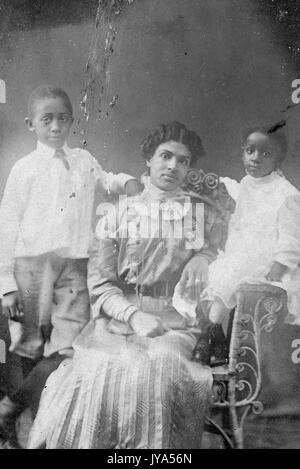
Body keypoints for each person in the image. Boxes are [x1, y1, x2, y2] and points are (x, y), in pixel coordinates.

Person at [28, 121, 224, 449]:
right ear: (148, 160)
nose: (173, 166)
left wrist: (204, 256)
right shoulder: (117, 215)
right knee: (99, 369)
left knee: (158, 366)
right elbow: (101, 284)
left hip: (173, 323)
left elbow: (221, 252)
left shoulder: (197, 215)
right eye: (165, 156)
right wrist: (134, 316)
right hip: (117, 323)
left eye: (183, 160)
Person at [0, 85, 140, 447]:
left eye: (63, 118)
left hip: (75, 265)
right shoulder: (24, 169)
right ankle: (30, 422)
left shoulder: (82, 159)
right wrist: (6, 284)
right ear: (31, 124)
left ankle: (14, 410)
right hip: (32, 266)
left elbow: (105, 180)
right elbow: (7, 224)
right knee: (31, 344)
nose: (56, 126)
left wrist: (125, 182)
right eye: (47, 120)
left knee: (68, 349)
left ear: (72, 121)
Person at [195, 124, 300, 363]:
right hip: (243, 256)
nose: (256, 158)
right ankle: (216, 338)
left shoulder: (286, 194)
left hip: (269, 263)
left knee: (231, 277)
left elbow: (291, 240)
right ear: (243, 152)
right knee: (215, 273)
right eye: (250, 151)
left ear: (278, 159)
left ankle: (211, 334)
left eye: (266, 154)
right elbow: (238, 225)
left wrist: (278, 267)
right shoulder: (246, 184)